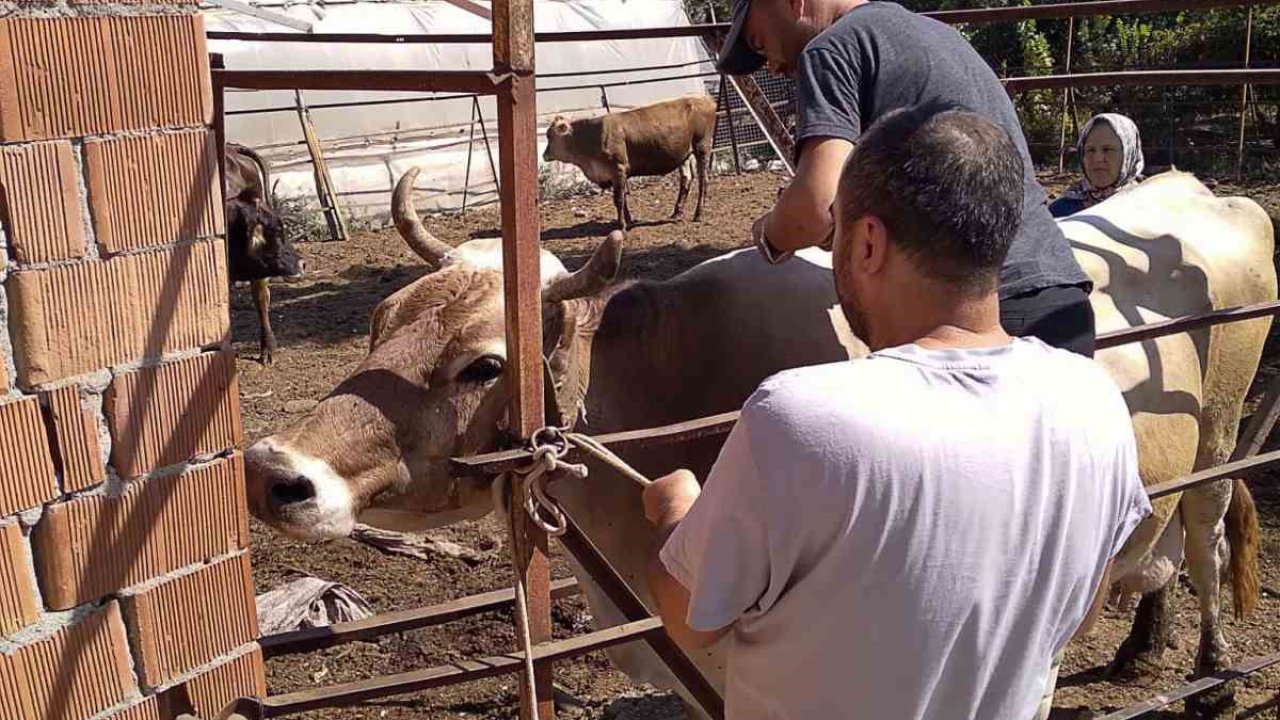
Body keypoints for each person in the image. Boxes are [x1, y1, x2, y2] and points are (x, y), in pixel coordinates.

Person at [643, 105, 1152, 720]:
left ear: (868, 242)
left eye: (835, 233)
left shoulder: (798, 419)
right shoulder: (1092, 400)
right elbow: (1082, 613)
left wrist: (676, 513)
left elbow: (688, 620)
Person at [718, 0, 1097, 357]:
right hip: (1060, 298)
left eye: (758, 42)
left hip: (973, 320)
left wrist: (770, 235)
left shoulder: (831, 48)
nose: (771, 65)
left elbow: (814, 209)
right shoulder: (939, 35)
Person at [1050, 113, 1146, 218]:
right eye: (1090, 150)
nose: (1098, 159)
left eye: (1107, 150)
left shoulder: (1149, 209)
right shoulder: (1060, 212)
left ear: (1128, 154)